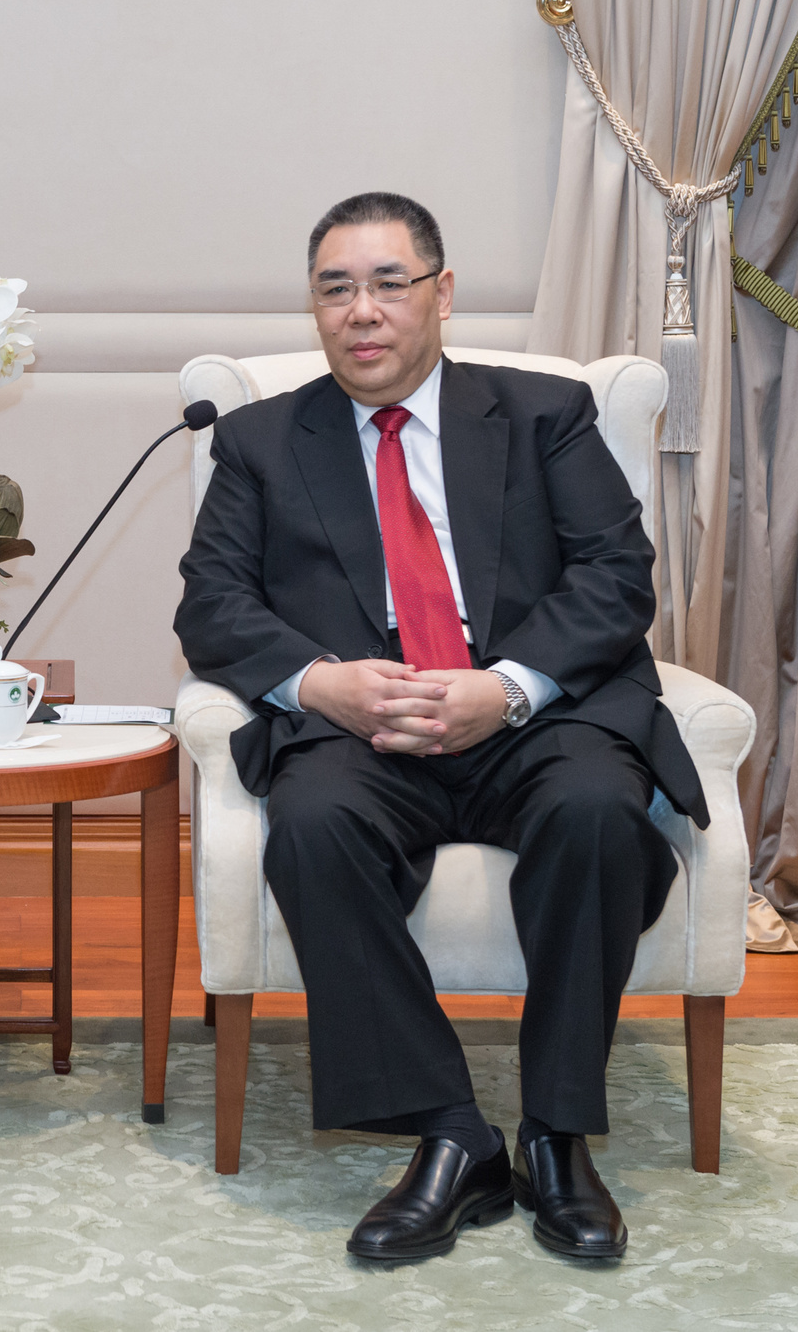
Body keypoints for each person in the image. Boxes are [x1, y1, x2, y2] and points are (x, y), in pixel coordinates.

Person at [174, 192, 706, 1262]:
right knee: (313, 825)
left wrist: (504, 688)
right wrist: (323, 685)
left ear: (441, 292)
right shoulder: (260, 441)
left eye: (388, 283)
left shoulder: (545, 413)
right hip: (361, 728)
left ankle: (556, 1135)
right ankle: (453, 1133)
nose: (361, 311)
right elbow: (212, 607)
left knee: (597, 811)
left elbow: (616, 577)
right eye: (336, 289)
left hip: (530, 717)